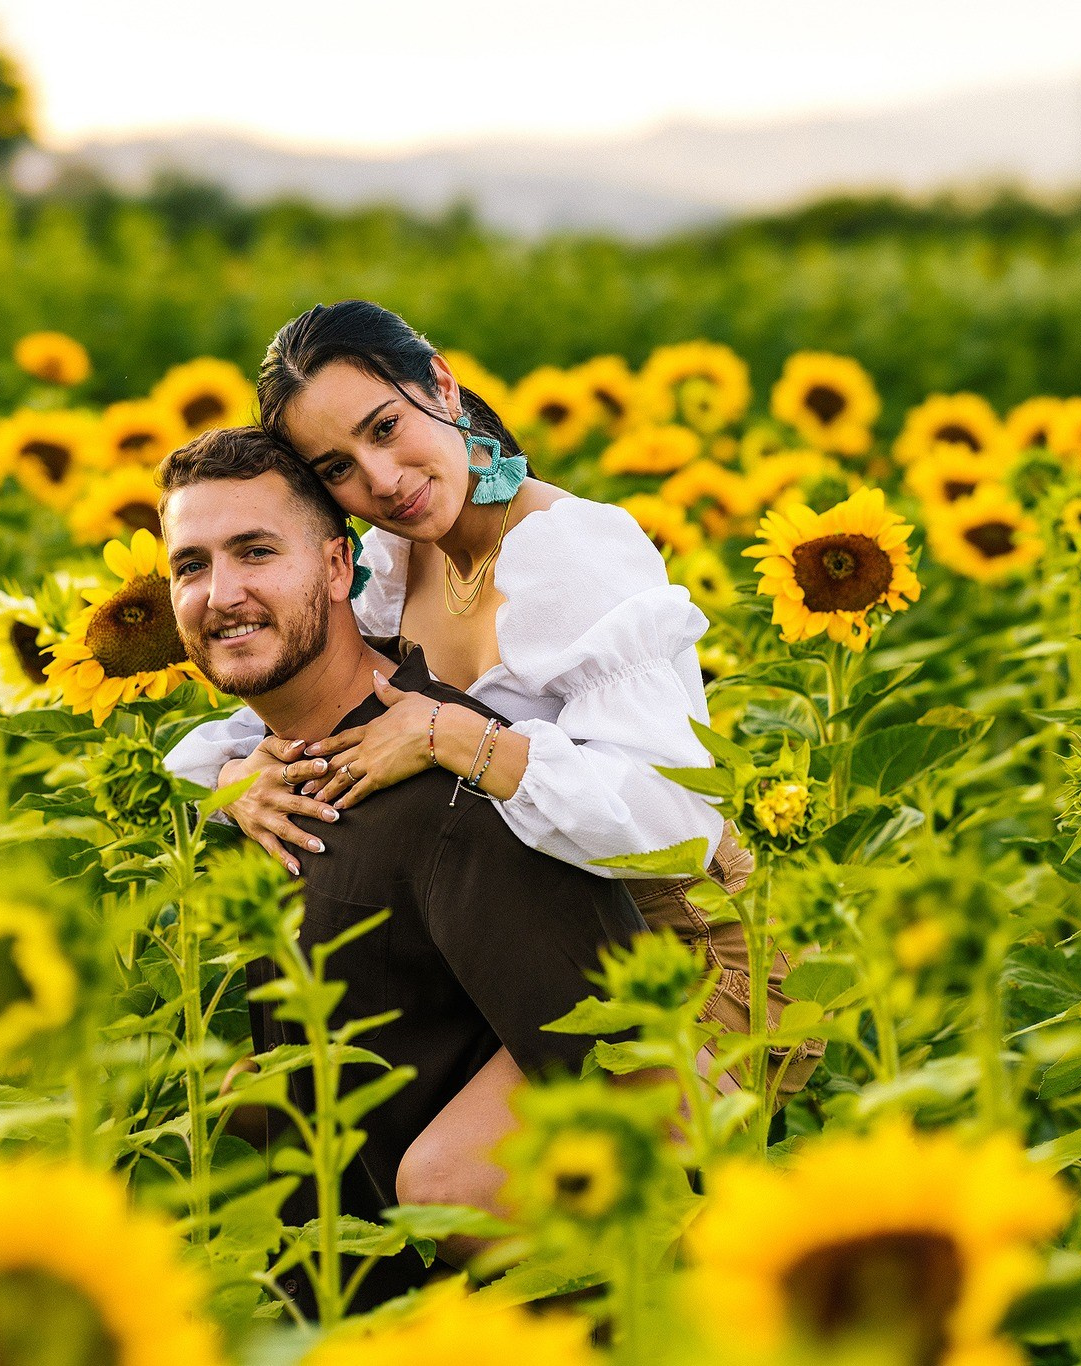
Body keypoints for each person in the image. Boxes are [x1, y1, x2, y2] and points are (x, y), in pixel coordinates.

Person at [165, 301, 821, 1208]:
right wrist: (240, 775)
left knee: (453, 1186)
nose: (383, 480)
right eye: (338, 469)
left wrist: (459, 736)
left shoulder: (570, 552)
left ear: (440, 383)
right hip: (537, 943)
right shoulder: (405, 559)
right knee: (272, 1104)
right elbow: (341, 694)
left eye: (386, 428)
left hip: (687, 951)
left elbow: (675, 823)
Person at [159, 426, 649, 1312]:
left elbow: (624, 1079)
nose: (220, 594)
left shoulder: (461, 794)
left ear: (341, 568)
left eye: (256, 552)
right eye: (190, 564)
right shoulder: (268, 786)